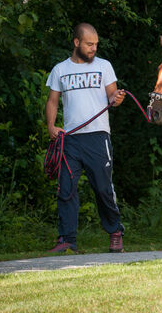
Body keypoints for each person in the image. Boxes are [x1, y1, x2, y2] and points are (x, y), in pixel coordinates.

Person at [45, 22, 127, 253]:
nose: (94, 48)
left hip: (97, 137)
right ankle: (67, 239)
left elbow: (112, 95)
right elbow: (52, 101)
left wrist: (116, 99)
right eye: (89, 44)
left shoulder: (104, 66)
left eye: (96, 44)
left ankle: (115, 232)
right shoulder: (60, 70)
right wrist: (51, 126)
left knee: (103, 188)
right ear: (76, 42)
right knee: (66, 189)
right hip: (69, 139)